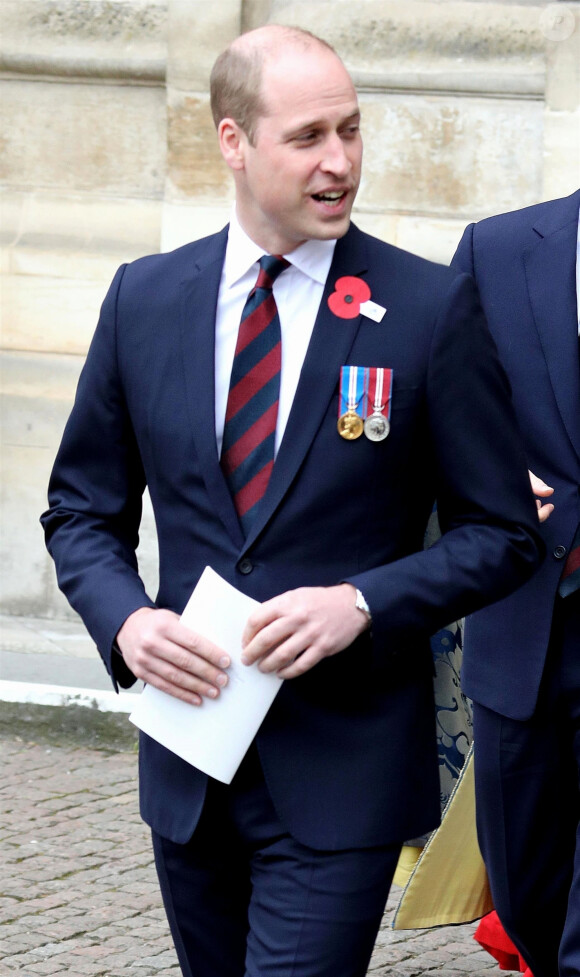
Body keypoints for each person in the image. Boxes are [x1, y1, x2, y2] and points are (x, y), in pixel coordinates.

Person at [41, 25, 542, 977]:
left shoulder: (431, 310)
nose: (340, 161)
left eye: (351, 131)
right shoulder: (143, 299)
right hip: (190, 765)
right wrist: (128, 624)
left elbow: (503, 535)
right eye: (308, 136)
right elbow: (79, 511)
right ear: (233, 141)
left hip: (342, 771)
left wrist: (360, 602)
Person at [453, 188, 580, 977]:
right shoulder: (497, 248)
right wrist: (482, 481)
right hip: (522, 631)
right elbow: (449, 413)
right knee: (528, 892)